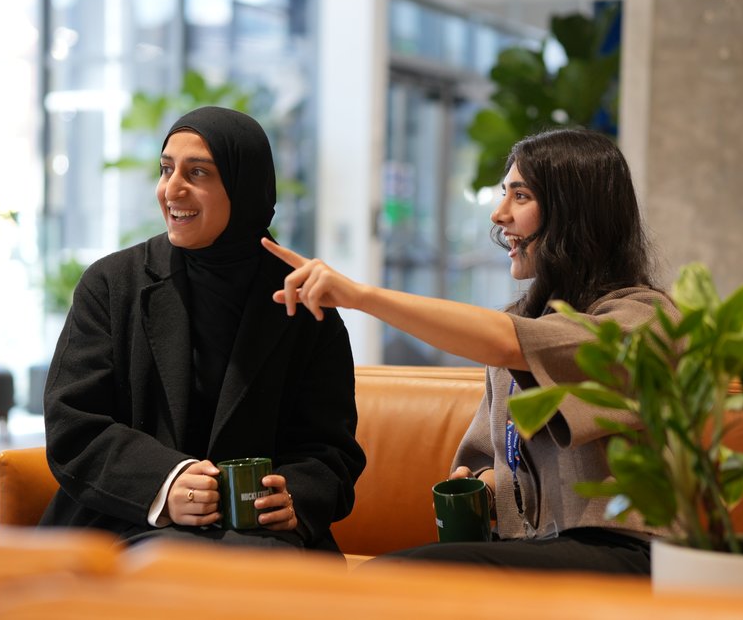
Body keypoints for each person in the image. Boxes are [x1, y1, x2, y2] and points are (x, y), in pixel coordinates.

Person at [262, 127, 675, 574]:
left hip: (629, 551)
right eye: (503, 194)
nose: (499, 214)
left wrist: (361, 296)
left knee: (387, 577)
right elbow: (496, 461)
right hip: (541, 549)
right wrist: (484, 484)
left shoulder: (641, 318)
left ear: (575, 214)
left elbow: (505, 341)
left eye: (520, 196)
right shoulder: (524, 319)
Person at [39, 106, 365, 555]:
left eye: (197, 172)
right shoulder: (114, 284)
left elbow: (331, 448)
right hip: (124, 521)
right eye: (166, 169)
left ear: (242, 186)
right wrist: (165, 484)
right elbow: (72, 423)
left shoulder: (303, 299)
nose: (171, 189)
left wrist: (295, 496)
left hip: (256, 534)